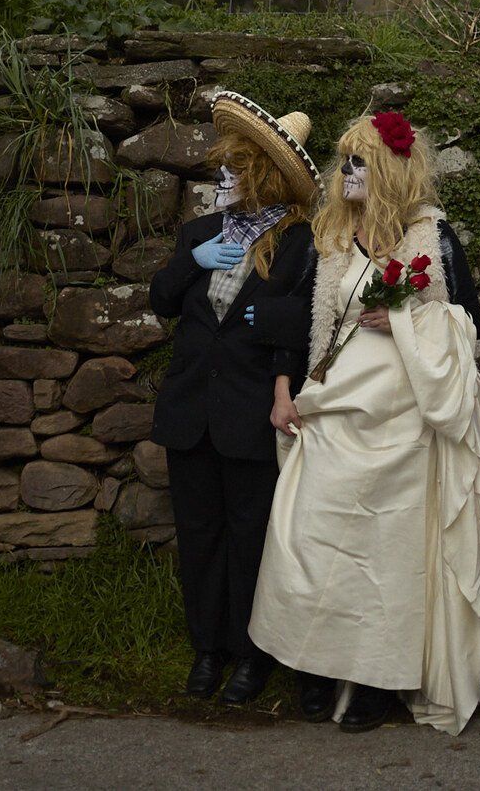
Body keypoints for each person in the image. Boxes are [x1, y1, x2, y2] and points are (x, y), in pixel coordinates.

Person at [248, 110, 480, 735]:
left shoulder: (435, 241)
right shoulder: (331, 239)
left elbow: (466, 324)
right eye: (344, 159)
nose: (348, 172)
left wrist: (403, 317)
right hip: (336, 412)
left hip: (406, 425)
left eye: (360, 160)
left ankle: (373, 683)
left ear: (392, 170)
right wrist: (284, 388)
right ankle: (315, 668)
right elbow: (297, 323)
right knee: (313, 541)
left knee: (388, 556)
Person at [147, 91, 320, 705]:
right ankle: (207, 650)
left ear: (265, 174)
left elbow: (299, 328)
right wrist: (192, 263)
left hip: (251, 413)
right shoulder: (200, 231)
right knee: (199, 534)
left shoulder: (299, 242)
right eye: (228, 167)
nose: (228, 177)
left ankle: (250, 657)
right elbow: (161, 301)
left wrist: (277, 368)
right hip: (192, 411)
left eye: (240, 168)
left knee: (251, 537)